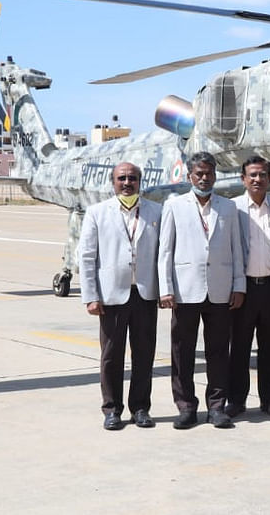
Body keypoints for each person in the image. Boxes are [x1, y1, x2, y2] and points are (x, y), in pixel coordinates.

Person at [158, 151, 245, 430]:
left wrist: (238, 285)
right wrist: (166, 288)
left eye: (209, 174)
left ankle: (217, 407)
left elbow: (236, 249)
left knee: (219, 352)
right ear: (189, 177)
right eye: (199, 174)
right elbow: (165, 251)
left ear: (215, 176)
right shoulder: (174, 206)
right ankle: (185, 406)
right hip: (185, 291)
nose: (204, 178)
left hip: (219, 291)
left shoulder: (228, 208)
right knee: (182, 352)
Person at [78, 162, 162, 430]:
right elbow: (87, 257)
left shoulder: (156, 212)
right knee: (111, 356)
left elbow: (165, 254)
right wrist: (90, 295)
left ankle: (140, 408)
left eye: (133, 178)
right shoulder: (96, 213)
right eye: (122, 178)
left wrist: (166, 290)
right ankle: (112, 409)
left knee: (144, 354)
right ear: (113, 182)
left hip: (145, 294)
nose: (127, 183)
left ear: (141, 181)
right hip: (112, 296)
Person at [226, 155, 270, 420]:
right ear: (243, 179)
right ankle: (236, 401)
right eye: (252, 175)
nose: (257, 179)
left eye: (263, 174)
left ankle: (269, 399)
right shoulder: (233, 208)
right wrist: (236, 286)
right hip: (243, 289)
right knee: (240, 348)